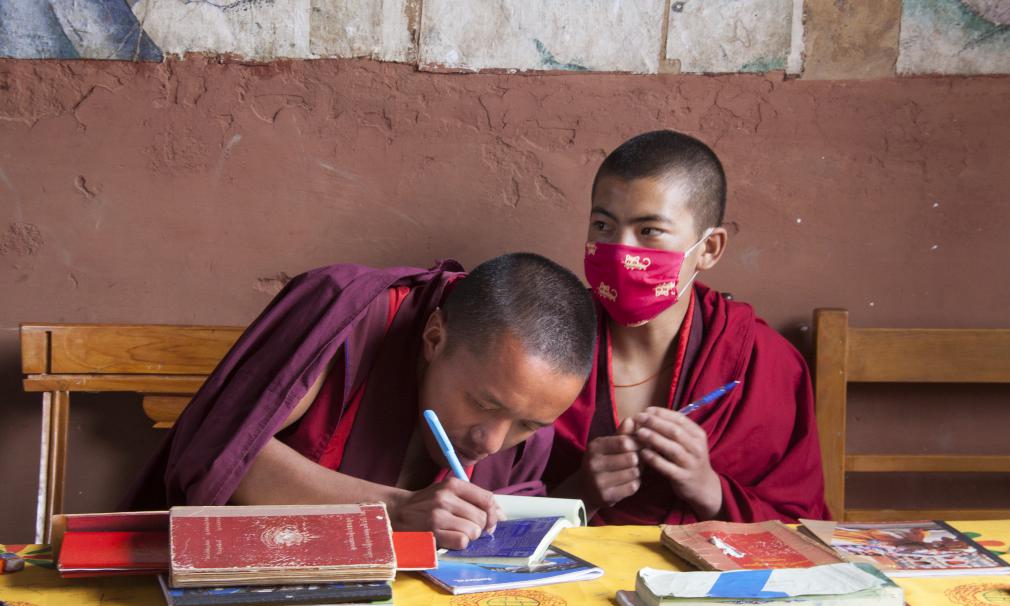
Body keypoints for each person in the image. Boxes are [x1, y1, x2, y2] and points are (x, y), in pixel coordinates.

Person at [125, 254, 596, 548]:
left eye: (528, 426)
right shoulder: (343, 313)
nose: (493, 442)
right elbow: (225, 457)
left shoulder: (528, 408)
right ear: (434, 337)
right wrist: (395, 510)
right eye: (485, 404)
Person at [544, 130, 829, 525]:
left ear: (708, 249)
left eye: (649, 231)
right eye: (603, 226)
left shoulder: (763, 361)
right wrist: (581, 493)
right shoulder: (546, 343)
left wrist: (709, 489)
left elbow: (805, 527)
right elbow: (490, 506)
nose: (622, 251)